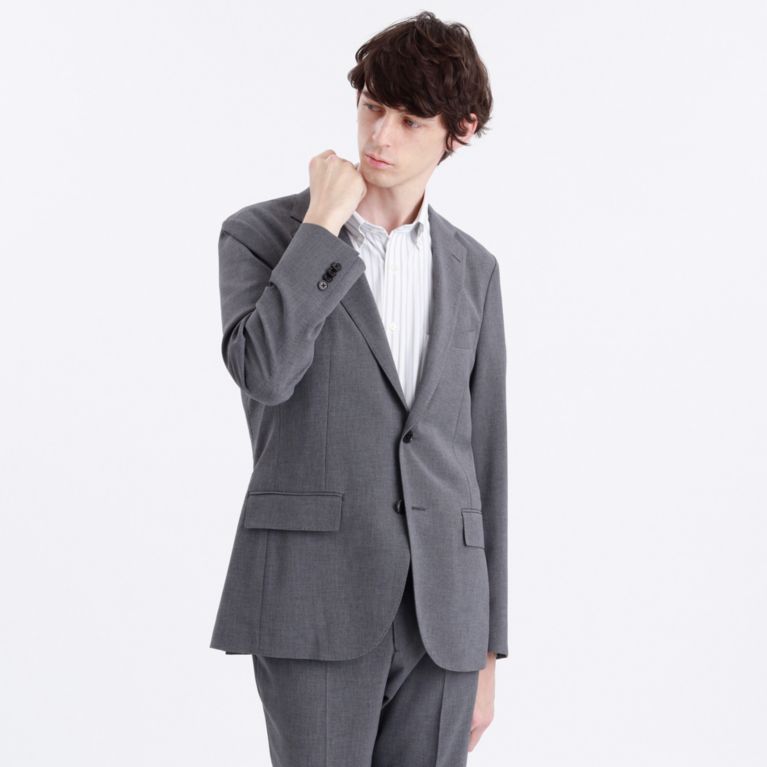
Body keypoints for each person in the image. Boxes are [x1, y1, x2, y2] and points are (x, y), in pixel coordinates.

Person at [210, 11, 507, 766]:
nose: (379, 136)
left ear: (459, 131)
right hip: (314, 598)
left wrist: (488, 649)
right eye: (372, 107)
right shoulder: (262, 237)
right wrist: (321, 226)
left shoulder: (474, 270)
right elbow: (264, 371)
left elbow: (484, 458)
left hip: (444, 617)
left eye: (409, 120)